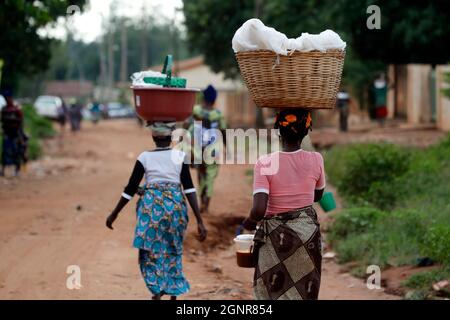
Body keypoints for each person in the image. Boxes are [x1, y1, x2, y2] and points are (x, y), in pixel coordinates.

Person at [105, 122, 207, 300]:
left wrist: (115, 213)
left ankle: (157, 289)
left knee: (149, 250)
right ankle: (173, 290)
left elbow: (130, 188)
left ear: (153, 137)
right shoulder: (180, 156)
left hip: (151, 209)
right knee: (173, 248)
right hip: (175, 207)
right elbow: (189, 189)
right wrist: (199, 219)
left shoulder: (144, 157)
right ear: (171, 138)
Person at [242, 109, 325, 300]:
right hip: (307, 235)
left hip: (275, 239)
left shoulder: (265, 163)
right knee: (303, 290)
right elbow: (317, 195)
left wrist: (248, 222)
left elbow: (259, 209)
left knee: (271, 292)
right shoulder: (316, 159)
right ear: (306, 131)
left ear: (279, 130)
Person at [187, 85, 227, 213]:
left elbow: (188, 125)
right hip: (213, 151)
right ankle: (206, 205)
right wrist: (227, 147)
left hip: (199, 149)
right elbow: (224, 131)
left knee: (200, 174)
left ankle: (201, 200)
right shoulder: (218, 115)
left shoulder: (196, 110)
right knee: (210, 177)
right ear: (215, 100)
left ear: (203, 98)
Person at [1, 90, 25, 177]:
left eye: (8, 98)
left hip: (15, 133)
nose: (7, 99)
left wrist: (20, 132)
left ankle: (17, 170)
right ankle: (3, 170)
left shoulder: (16, 109)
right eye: (6, 98)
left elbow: (21, 120)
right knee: (5, 151)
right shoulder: (4, 109)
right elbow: (2, 120)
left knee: (16, 151)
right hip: (7, 133)